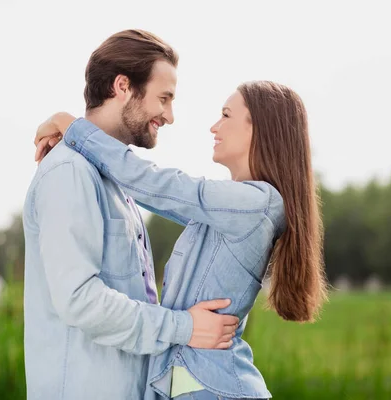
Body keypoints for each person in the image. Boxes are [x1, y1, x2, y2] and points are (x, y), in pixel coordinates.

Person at [34, 80, 329, 399]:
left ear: (260, 128)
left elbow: (154, 184)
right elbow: (148, 191)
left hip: (214, 388)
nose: (214, 126)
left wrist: (72, 127)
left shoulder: (255, 205)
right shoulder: (234, 208)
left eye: (226, 115)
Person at [22, 29, 239, 400]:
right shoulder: (70, 172)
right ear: (123, 86)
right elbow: (80, 299)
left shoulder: (115, 179)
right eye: (164, 98)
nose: (169, 116)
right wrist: (183, 327)